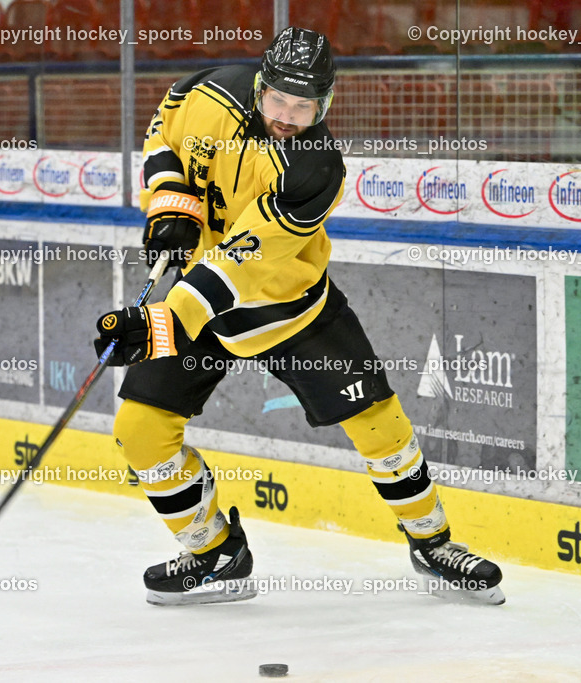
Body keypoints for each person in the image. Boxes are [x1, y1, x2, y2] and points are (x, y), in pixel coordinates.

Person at [94, 26, 504, 606]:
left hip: (290, 311)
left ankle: (432, 542)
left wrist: (160, 325)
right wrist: (170, 207)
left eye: (302, 106)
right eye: (277, 100)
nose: (286, 115)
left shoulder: (315, 171)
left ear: (325, 104)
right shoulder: (206, 92)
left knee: (379, 422)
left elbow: (241, 265)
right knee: (138, 431)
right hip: (203, 310)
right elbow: (164, 133)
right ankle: (214, 555)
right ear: (260, 86)